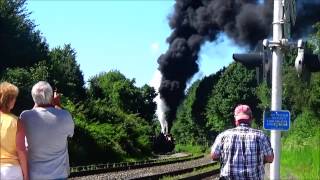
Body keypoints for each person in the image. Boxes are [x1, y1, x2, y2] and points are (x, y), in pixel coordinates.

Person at [20, 81, 74, 180]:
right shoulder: (65, 116)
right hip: (59, 175)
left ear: (33, 98)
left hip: (34, 176)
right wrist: (57, 104)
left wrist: (39, 102)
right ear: (51, 97)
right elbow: (71, 134)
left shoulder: (25, 116)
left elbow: (34, 110)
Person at [211, 104, 274, 180]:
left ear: (235, 120)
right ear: (250, 119)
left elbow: (214, 156)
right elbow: (270, 158)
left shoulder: (223, 136)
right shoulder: (261, 136)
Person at [0, 82, 29, 180]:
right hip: (10, 170)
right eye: (14, 98)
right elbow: (21, 150)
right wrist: (26, 175)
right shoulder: (16, 122)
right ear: (9, 100)